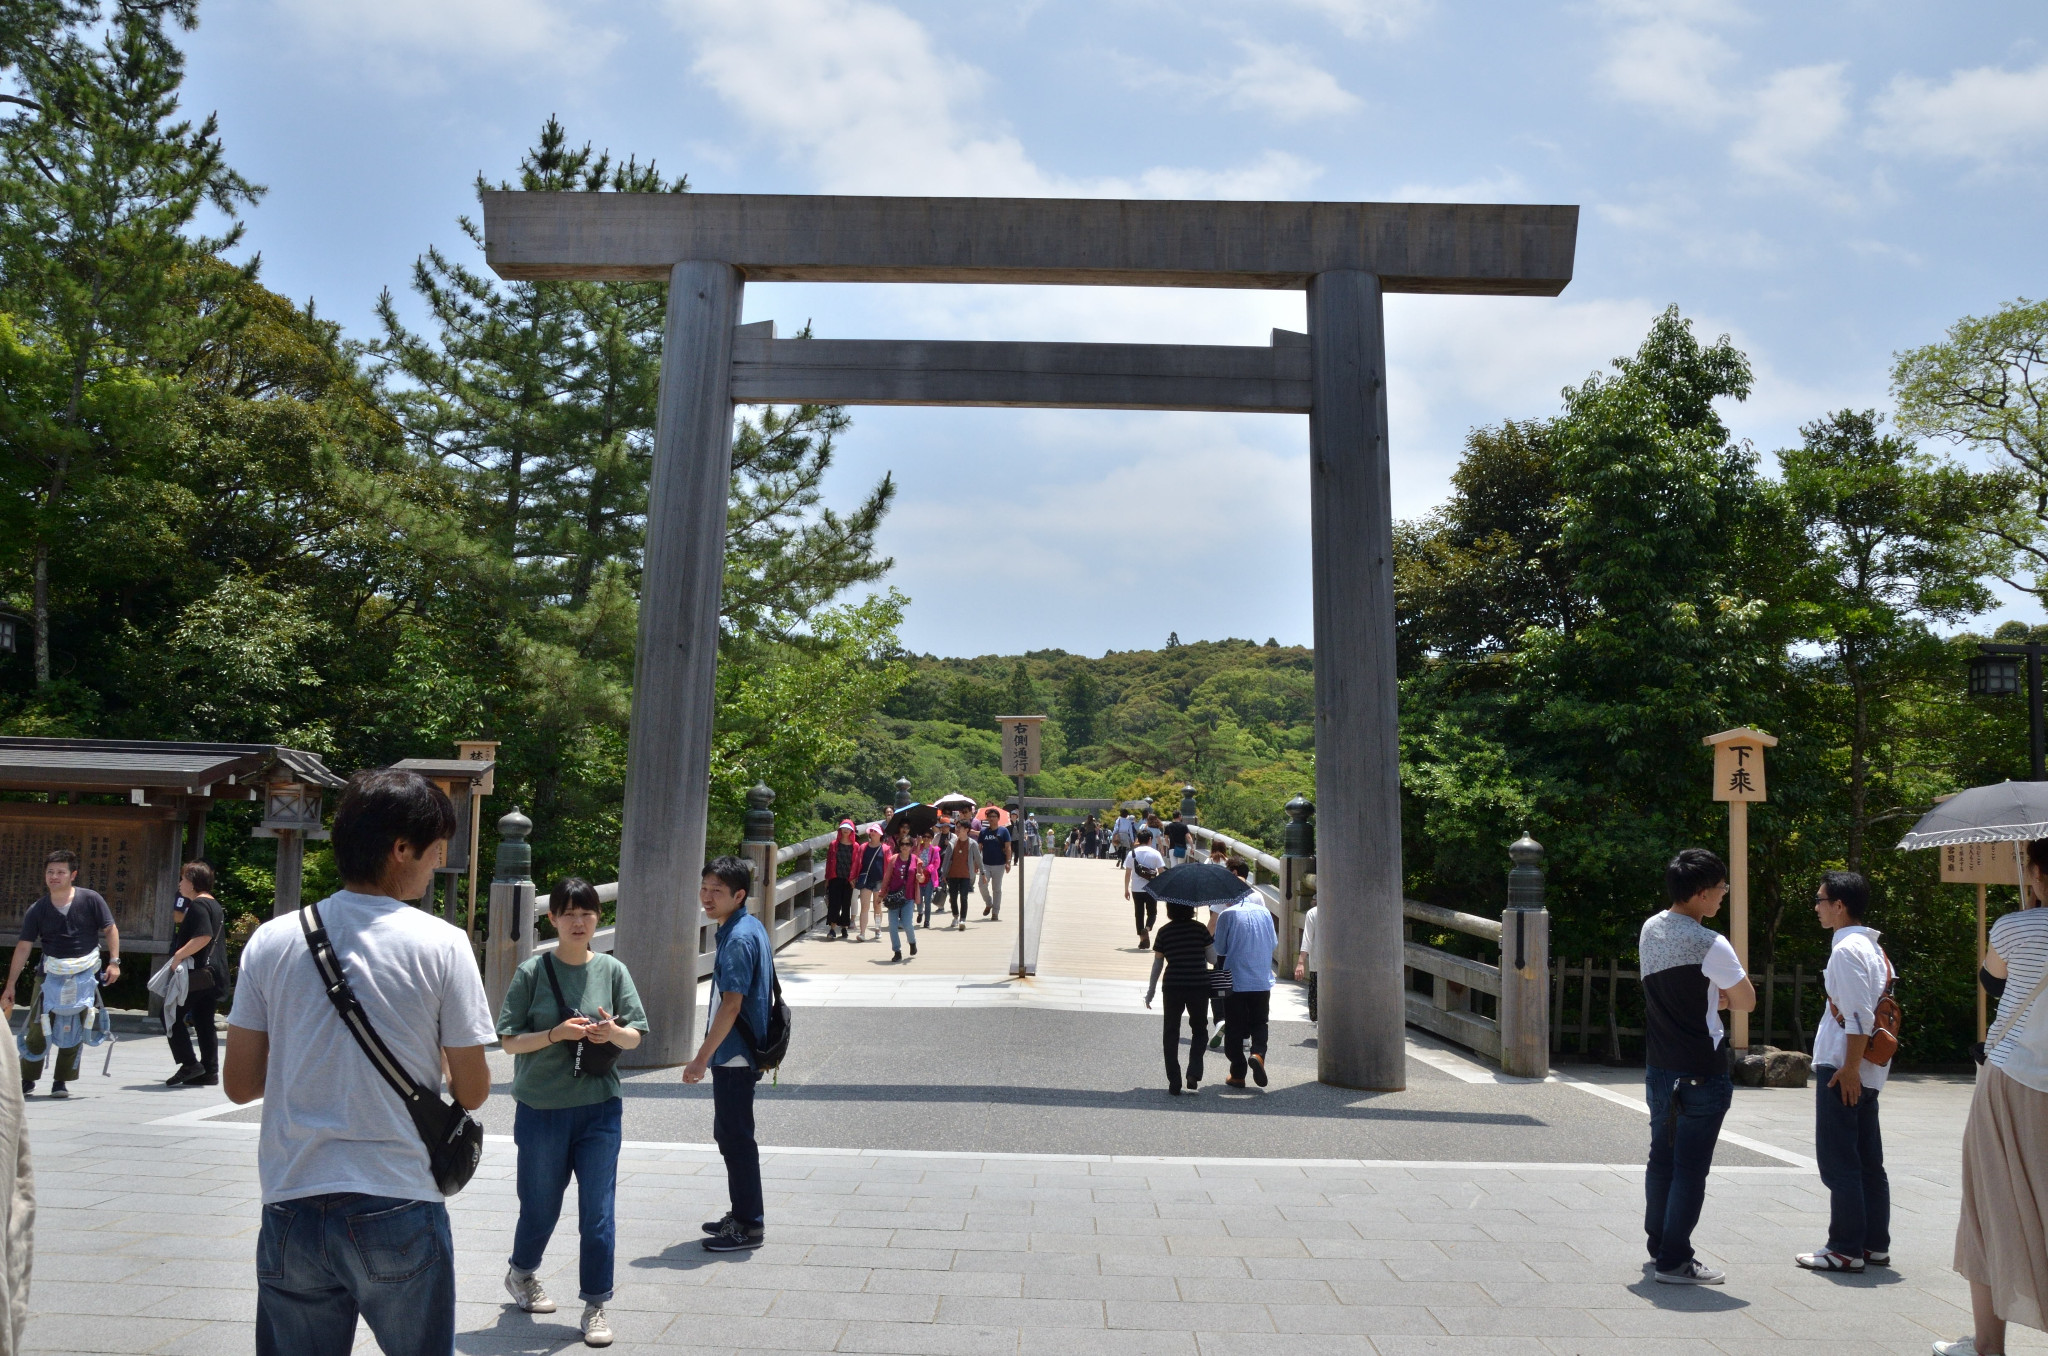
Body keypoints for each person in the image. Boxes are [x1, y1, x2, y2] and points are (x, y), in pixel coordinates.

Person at [223, 768, 495, 1356]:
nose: (433, 868)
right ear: (401, 849)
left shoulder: (272, 940)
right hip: (397, 1197)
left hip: (292, 1198)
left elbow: (239, 1084)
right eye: (433, 853)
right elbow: (472, 1092)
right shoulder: (441, 943)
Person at [498, 878, 648, 1347]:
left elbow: (637, 1033)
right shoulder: (532, 972)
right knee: (540, 1206)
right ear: (553, 919)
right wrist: (554, 1035)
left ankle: (596, 1304)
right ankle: (521, 1274)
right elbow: (507, 1041)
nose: (578, 922)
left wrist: (611, 1034)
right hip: (542, 1108)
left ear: (598, 918)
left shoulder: (612, 969)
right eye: (568, 913)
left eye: (586, 913)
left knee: (598, 1212)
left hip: (600, 1108)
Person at [1940, 837, 2048, 1356]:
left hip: (2011, 1082)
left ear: (2037, 874)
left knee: (1987, 1205)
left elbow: (1992, 980)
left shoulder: (2015, 926)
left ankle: (1988, 1346)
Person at [1639, 847, 1755, 1286]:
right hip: (1703, 1069)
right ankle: (1675, 1260)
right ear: (1703, 893)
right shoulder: (1711, 943)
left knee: (1661, 1160)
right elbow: (1746, 1000)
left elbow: (1677, 988)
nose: (1724, 895)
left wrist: (1712, 995)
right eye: (1722, 888)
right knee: (1691, 1167)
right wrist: (1721, 997)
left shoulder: (1651, 929)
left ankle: (1660, 1249)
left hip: (1660, 1064)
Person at [1797, 870, 1890, 1275]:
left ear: (1839, 905)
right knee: (1868, 1159)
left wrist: (1849, 1067)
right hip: (1867, 1068)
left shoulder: (1846, 950)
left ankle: (1844, 1248)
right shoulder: (1875, 949)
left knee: (1840, 1161)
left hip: (1843, 1066)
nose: (1817, 907)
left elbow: (1857, 1015)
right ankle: (1873, 1244)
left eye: (1820, 900)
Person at [684, 857, 773, 1253]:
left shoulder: (737, 938)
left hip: (734, 1054)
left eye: (717, 890)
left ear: (739, 895)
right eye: (705, 887)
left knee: (735, 1138)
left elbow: (731, 1005)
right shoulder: (748, 926)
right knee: (732, 1135)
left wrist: (701, 1058)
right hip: (741, 1051)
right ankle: (741, 1214)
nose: (707, 896)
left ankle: (749, 1224)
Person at [4, 849, 119, 1100]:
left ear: (72, 874)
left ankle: (61, 1081)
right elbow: (24, 945)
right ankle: (28, 1078)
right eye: (50, 872)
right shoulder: (38, 909)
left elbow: (110, 928)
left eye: (60, 872)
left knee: (75, 1025)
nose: (54, 876)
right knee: (37, 1027)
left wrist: (114, 962)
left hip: (84, 974)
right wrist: (10, 984)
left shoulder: (90, 900)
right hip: (48, 975)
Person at [163, 861, 229, 1087]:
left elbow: (204, 936)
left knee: (170, 1014)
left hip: (198, 974)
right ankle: (209, 1071)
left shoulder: (199, 905)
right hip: (213, 973)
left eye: (183, 879)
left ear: (191, 882)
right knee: (203, 1020)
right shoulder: (215, 905)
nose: (180, 884)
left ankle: (190, 1063)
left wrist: (178, 956)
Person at [1144, 901, 1216, 1095]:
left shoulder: (1164, 932)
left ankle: (1174, 1080)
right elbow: (1213, 959)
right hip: (1198, 986)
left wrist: (1150, 992)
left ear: (1169, 910)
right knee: (1200, 1030)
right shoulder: (1200, 929)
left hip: (1173, 986)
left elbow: (1158, 964)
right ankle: (1193, 1072)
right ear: (1190, 908)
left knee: (1171, 1032)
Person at [1212, 878, 1277, 1088]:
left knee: (1234, 1027)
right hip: (1261, 979)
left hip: (1235, 981)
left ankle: (1238, 1072)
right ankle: (1258, 1053)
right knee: (1259, 1022)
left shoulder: (1227, 915)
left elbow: (1220, 949)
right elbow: (1274, 943)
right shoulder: (1265, 913)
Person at [1125, 828, 1165, 948]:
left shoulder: (1132, 853)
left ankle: (1142, 938)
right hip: (1151, 888)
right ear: (1150, 839)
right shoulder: (1155, 853)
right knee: (1152, 912)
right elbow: (1161, 871)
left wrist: (1126, 889)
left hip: (1136, 888)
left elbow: (1127, 873)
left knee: (1139, 913)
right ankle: (1147, 928)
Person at [822, 820, 862, 940]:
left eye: (848, 828)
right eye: (843, 828)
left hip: (849, 879)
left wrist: (854, 878)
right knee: (834, 904)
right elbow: (829, 862)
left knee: (846, 904)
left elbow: (857, 864)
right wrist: (827, 878)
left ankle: (844, 927)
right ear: (840, 830)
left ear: (852, 830)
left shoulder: (856, 846)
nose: (846, 830)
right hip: (835, 877)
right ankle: (833, 929)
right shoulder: (834, 844)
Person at [976, 809, 1012, 921]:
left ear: (998, 818)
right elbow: (979, 848)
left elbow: (1008, 847)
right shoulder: (983, 832)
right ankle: (989, 903)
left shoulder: (1003, 831)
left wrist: (1008, 862)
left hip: (999, 864)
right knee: (982, 885)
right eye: (990, 816)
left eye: (994, 816)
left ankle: (995, 912)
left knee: (996, 889)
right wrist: (976, 863)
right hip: (985, 864)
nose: (992, 818)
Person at [854, 826, 887, 942]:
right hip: (866, 880)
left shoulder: (885, 848)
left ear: (880, 834)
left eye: (875, 831)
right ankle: (862, 933)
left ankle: (878, 929)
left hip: (880, 880)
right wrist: (853, 876)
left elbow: (889, 866)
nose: (872, 833)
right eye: (871, 831)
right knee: (865, 906)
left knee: (877, 907)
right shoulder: (863, 847)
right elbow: (857, 863)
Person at [1293, 898, 1320, 1025]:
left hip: (1318, 965)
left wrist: (1300, 963)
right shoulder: (1340, 912)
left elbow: (1307, 940)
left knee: (1317, 1001)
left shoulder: (1313, 913)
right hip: (1336, 966)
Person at [945, 823, 974, 929]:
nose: (957, 829)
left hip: (965, 875)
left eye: (960, 828)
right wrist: (944, 873)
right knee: (953, 897)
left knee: (963, 897)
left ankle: (962, 919)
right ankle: (955, 916)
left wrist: (983, 873)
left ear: (966, 829)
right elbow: (947, 859)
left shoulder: (972, 843)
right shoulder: (952, 843)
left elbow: (978, 859)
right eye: (957, 828)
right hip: (952, 874)